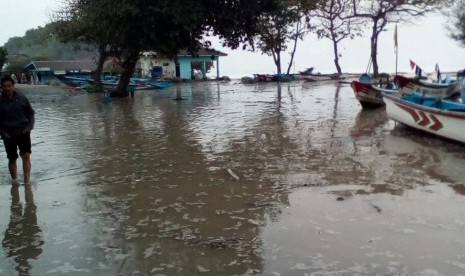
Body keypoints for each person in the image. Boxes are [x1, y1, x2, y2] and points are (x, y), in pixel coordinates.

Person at [0, 75, 35, 184]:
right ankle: (14, 182)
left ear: (13, 86)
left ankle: (27, 182)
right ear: (1, 87)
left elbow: (31, 113)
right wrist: (3, 132)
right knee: (12, 159)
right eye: (4, 86)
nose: (7, 88)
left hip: (23, 131)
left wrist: (29, 127)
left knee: (26, 155)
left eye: (9, 86)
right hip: (7, 134)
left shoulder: (22, 98)